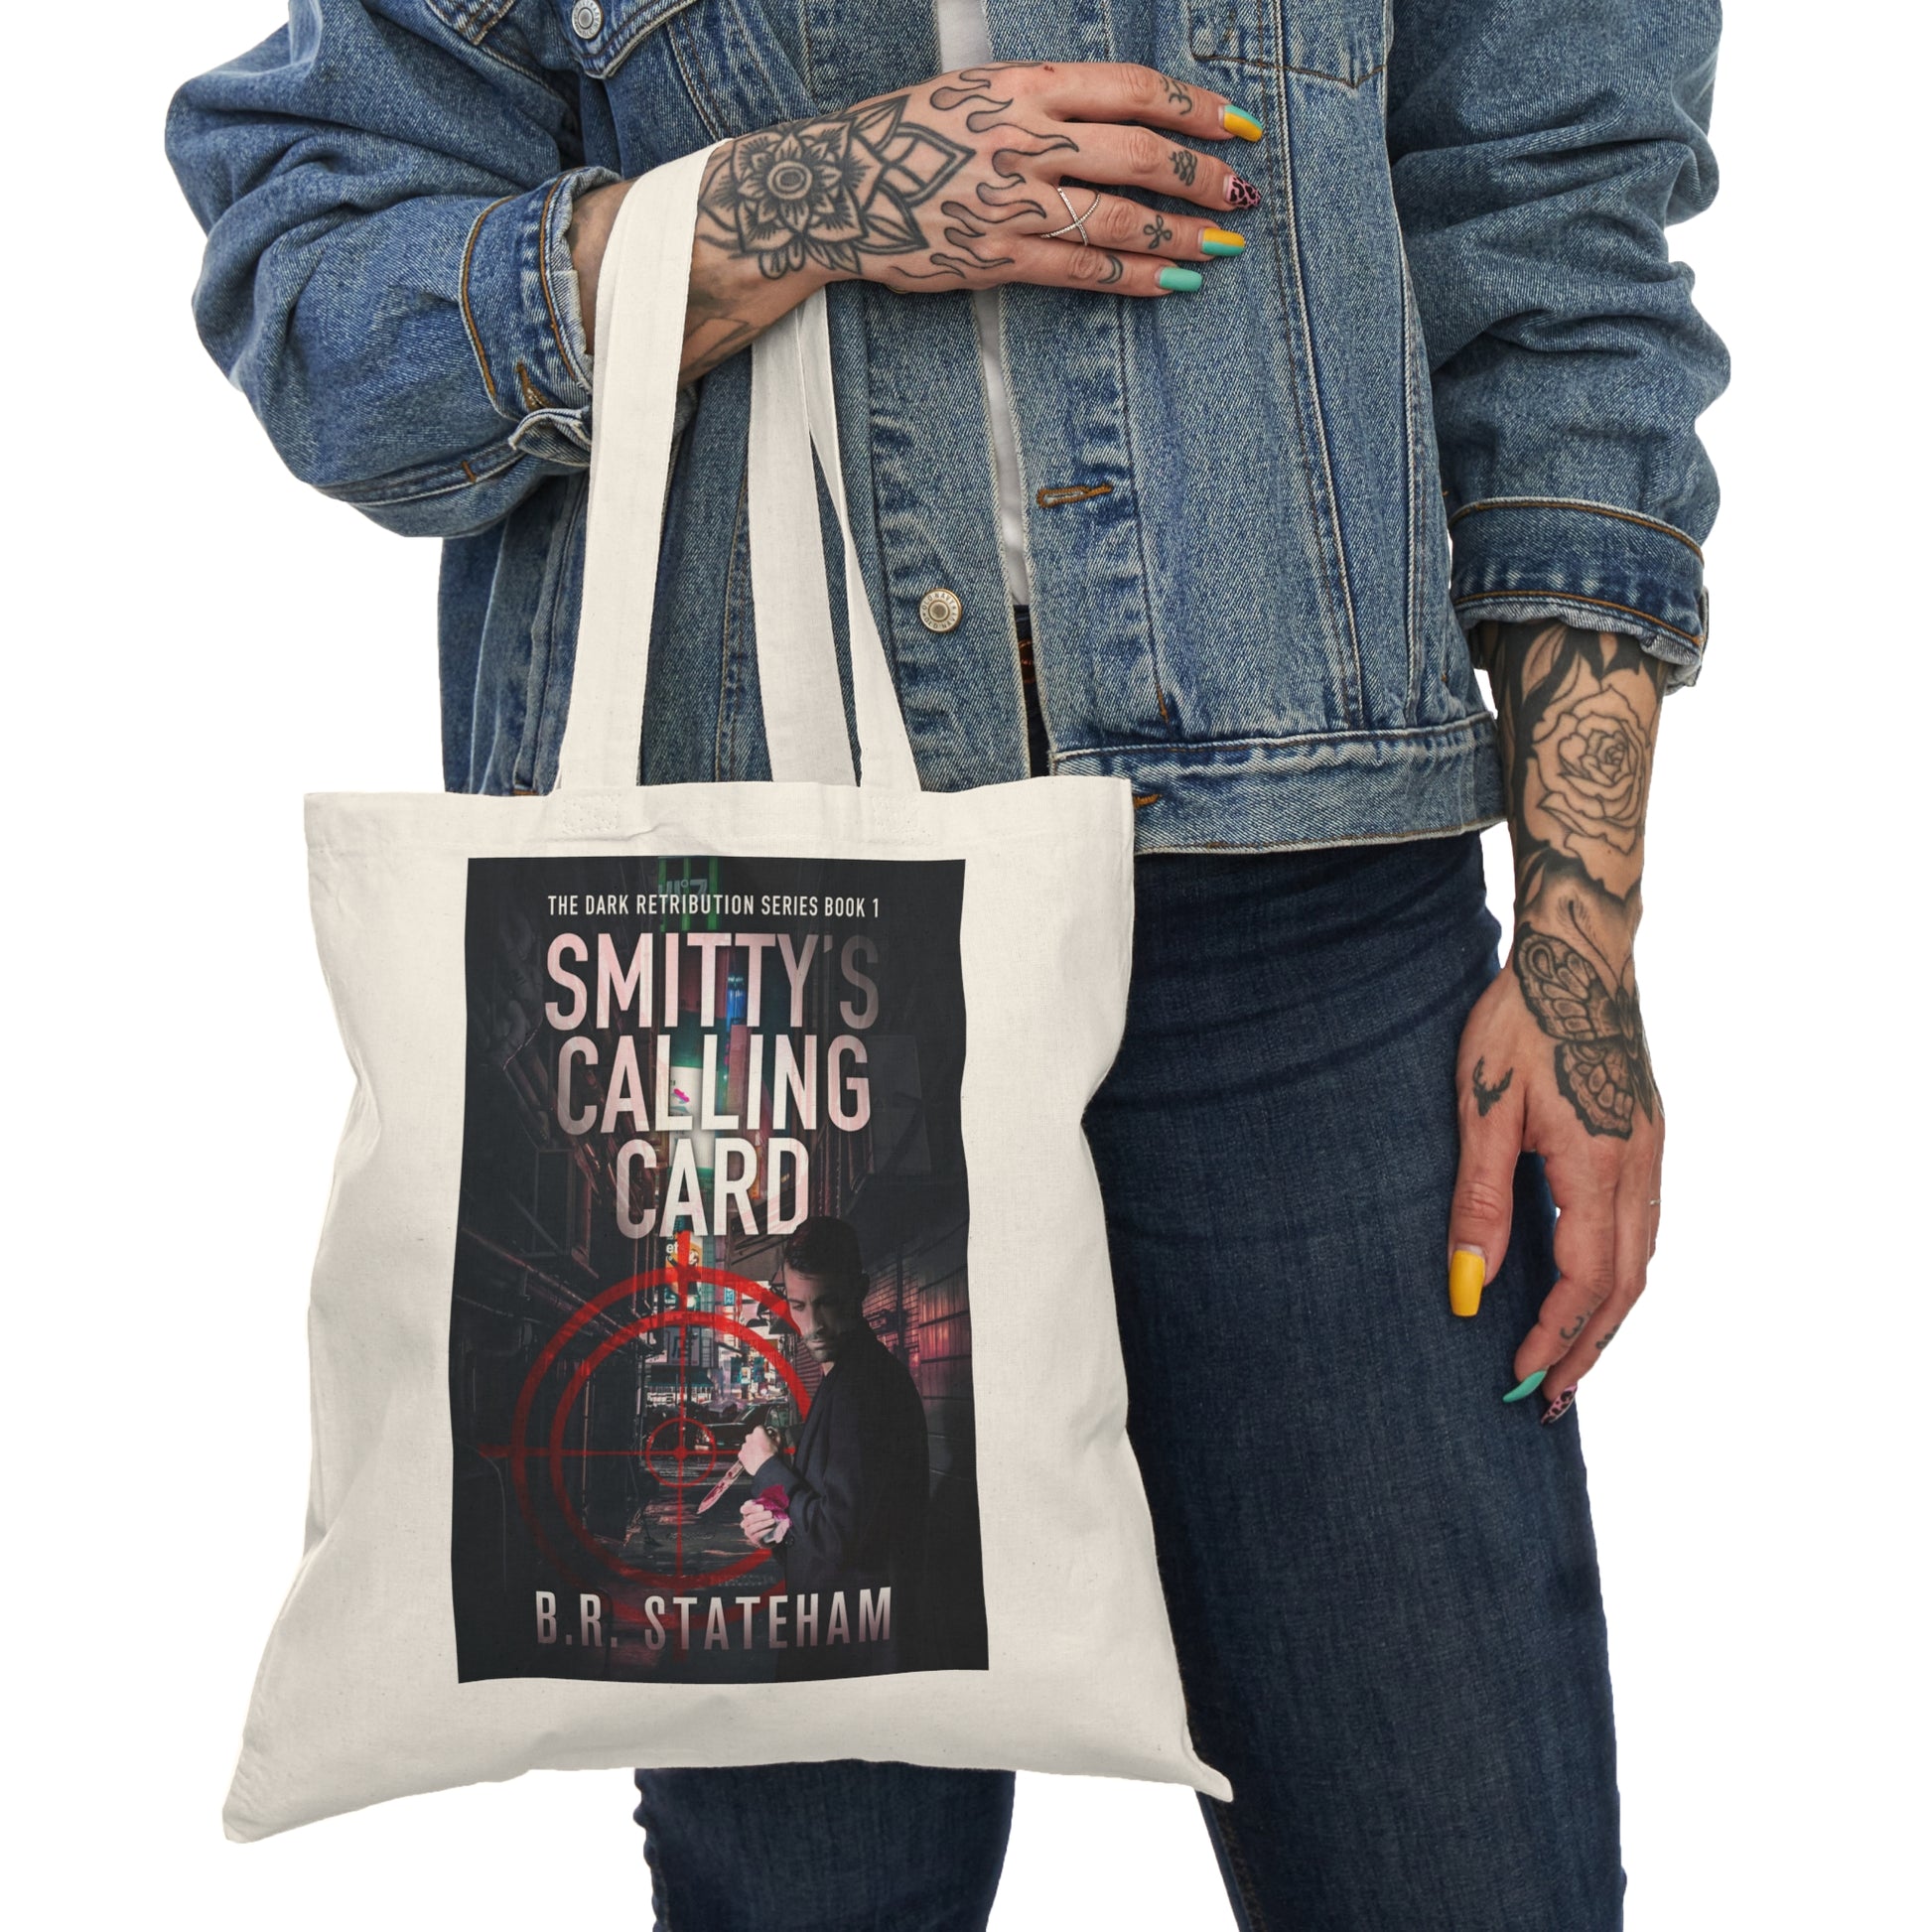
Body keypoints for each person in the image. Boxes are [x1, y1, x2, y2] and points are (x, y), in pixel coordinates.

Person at [168, 2, 1725, 1924]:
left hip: (1309, 949)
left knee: (1464, 1869)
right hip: (750, 987)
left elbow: (1560, 246)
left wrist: (1580, 942)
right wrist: (800, 204)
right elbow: (323, 294)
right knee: (814, 1895)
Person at [733, 1217, 930, 1678]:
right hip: (841, 1639)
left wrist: (767, 1468)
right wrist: (777, 1526)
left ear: (859, 1291)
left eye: (827, 1303)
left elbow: (840, 1536)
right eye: (799, 1306)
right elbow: (838, 1521)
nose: (813, 1326)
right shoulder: (844, 1378)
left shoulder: (863, 1387)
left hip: (856, 1653)